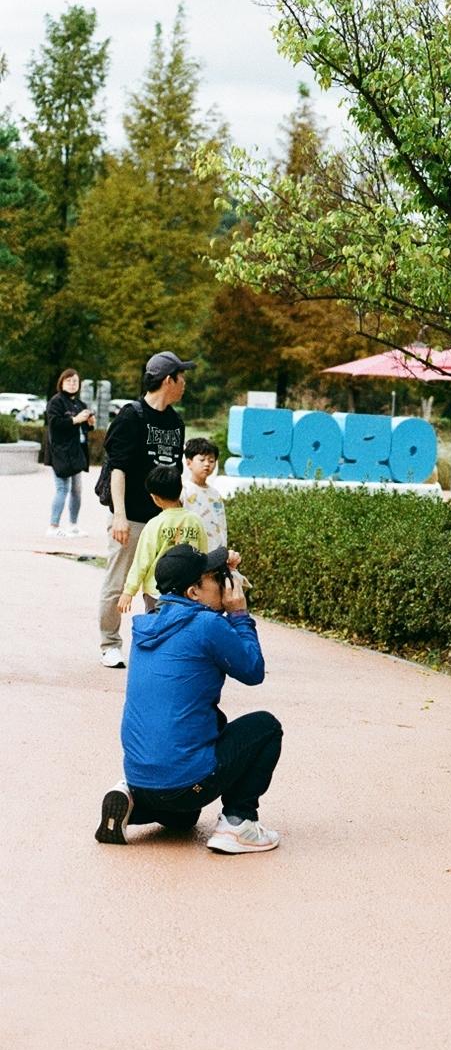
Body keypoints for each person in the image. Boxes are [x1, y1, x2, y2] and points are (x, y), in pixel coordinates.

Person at [94, 542, 283, 855]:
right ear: (194, 593)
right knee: (266, 727)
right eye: (216, 578)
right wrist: (238, 613)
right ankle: (238, 823)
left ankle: (133, 802)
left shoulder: (148, 624)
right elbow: (253, 671)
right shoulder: (206, 625)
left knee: (184, 819)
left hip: (143, 778)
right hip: (186, 782)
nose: (225, 583)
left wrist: (225, 570)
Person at [97, 350, 194, 668]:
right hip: (132, 517)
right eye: (182, 377)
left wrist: (179, 514)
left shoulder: (176, 422)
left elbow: (175, 473)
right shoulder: (131, 415)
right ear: (169, 380)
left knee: (163, 584)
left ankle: (157, 643)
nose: (185, 384)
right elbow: (118, 469)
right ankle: (110, 643)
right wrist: (120, 516)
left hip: (164, 520)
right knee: (119, 581)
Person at [117, 465, 208, 614]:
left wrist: (129, 591)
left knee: (158, 631)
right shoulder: (196, 521)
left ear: (155, 498)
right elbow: (204, 554)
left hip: (156, 592)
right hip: (189, 591)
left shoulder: (155, 525)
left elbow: (142, 562)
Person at [181, 436, 249, 600]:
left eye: (211, 460)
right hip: (194, 555)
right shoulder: (184, 490)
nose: (207, 464)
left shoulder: (215, 494)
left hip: (215, 556)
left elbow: (221, 525)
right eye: (202, 459)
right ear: (189, 462)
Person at [44, 368, 94, 537]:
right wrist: (75, 419)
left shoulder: (80, 404)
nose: (72, 384)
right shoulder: (56, 402)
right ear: (62, 382)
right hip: (61, 453)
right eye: (69, 381)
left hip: (76, 453)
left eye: (75, 381)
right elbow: (55, 425)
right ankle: (53, 526)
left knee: (77, 490)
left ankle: (73, 525)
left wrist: (89, 422)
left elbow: (85, 428)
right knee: (62, 489)